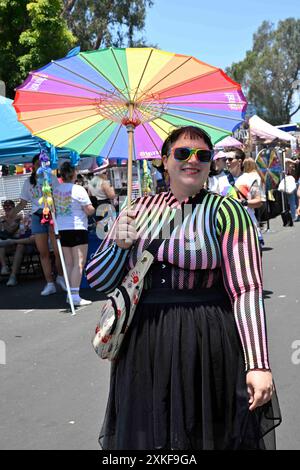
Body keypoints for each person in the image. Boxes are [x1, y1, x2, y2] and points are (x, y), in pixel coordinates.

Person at [91, 126, 281, 450]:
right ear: (165, 160)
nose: (192, 160)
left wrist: (258, 363)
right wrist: (117, 245)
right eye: (182, 153)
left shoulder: (228, 211)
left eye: (202, 155)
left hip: (208, 343)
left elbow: (247, 289)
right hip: (145, 345)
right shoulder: (136, 209)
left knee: (208, 435)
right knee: (150, 439)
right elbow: (99, 281)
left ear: (210, 164)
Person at [10, 155, 66, 296]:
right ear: (33, 166)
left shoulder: (51, 178)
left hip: (52, 215)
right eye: (37, 164)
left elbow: (59, 196)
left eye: (42, 164)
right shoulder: (28, 182)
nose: (39, 167)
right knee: (43, 252)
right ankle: (49, 283)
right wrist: (12, 213)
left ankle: (60, 276)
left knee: (58, 251)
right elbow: (23, 203)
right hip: (37, 216)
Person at [53, 162, 95, 307]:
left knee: (70, 263)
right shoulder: (79, 189)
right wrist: (93, 209)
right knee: (78, 262)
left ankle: (71, 295)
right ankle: (74, 295)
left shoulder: (56, 190)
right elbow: (88, 209)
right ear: (73, 173)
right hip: (77, 227)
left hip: (62, 229)